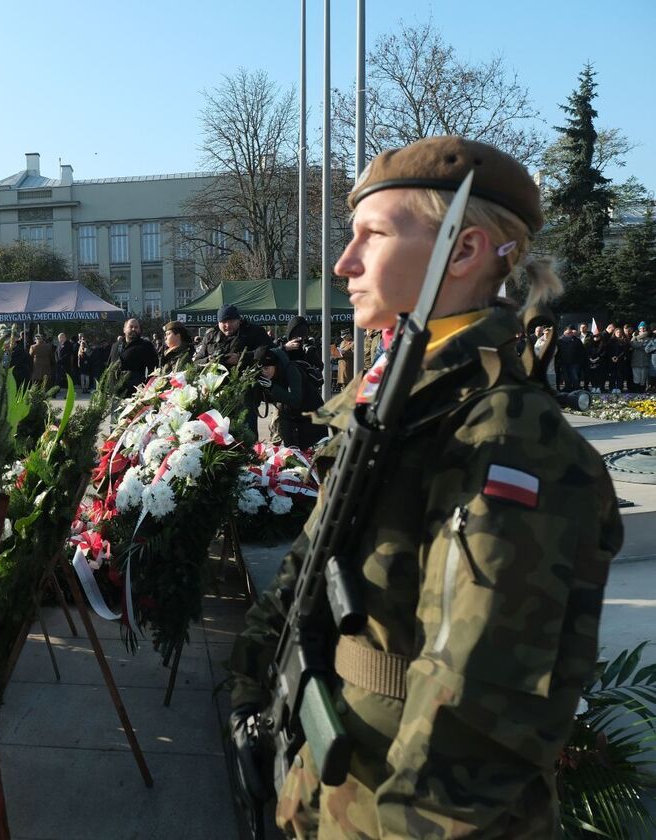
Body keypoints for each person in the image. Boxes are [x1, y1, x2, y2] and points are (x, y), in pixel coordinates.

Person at [228, 136, 623, 837]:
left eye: (372, 236)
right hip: (343, 782)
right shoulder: (401, 398)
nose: (345, 263)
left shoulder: (503, 435)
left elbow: (478, 709)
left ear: (464, 252)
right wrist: (251, 685)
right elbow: (314, 561)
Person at [195, 304, 271, 435]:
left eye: (231, 321)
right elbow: (196, 362)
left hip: (245, 393)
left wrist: (242, 358)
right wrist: (210, 361)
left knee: (246, 435)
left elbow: (269, 353)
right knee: (219, 435)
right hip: (217, 395)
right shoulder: (211, 336)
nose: (227, 326)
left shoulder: (254, 332)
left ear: (239, 320)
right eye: (223, 322)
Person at [108, 318, 158, 395]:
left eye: (136, 327)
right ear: (124, 329)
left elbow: (154, 370)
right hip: (114, 393)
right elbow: (109, 367)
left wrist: (147, 389)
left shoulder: (146, 346)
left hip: (134, 394)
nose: (133, 329)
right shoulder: (116, 345)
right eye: (131, 326)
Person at [556, 326, 585, 392]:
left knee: (574, 376)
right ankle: (567, 388)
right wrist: (559, 361)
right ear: (564, 333)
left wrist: (579, 361)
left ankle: (576, 389)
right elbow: (557, 352)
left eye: (571, 332)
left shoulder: (577, 341)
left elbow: (582, 351)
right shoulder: (560, 341)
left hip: (574, 363)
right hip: (564, 362)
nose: (569, 334)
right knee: (566, 377)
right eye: (568, 333)